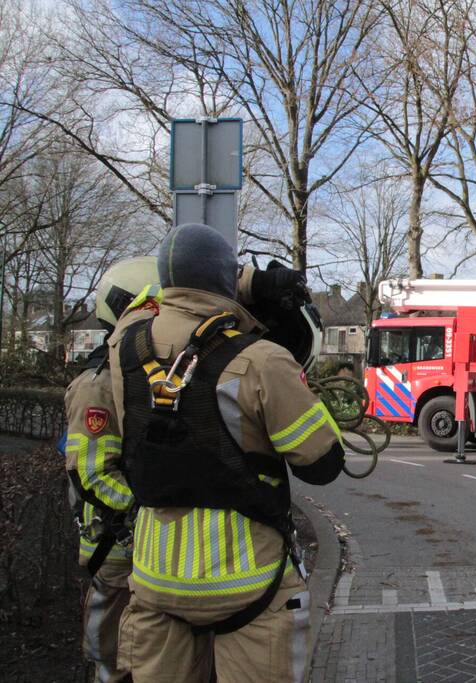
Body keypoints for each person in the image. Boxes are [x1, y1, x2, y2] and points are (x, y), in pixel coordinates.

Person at [107, 223, 344, 682]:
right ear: (224, 279)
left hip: (155, 580)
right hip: (246, 585)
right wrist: (253, 289)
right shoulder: (262, 360)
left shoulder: (124, 347)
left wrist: (234, 282)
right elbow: (322, 463)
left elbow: (142, 300)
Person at [63, 256, 162, 682]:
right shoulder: (98, 384)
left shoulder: (138, 374)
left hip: (144, 550)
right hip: (118, 549)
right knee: (115, 658)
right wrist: (147, 512)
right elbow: (91, 473)